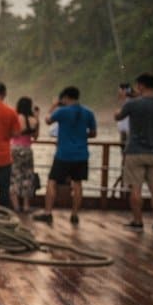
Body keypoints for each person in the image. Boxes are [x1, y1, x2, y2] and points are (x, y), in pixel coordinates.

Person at [115, 72, 153, 233]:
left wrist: (123, 99)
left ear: (140, 85)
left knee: (136, 188)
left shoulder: (132, 105)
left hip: (135, 151)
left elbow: (118, 116)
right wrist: (134, 96)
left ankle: (138, 222)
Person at [33, 86, 96, 224]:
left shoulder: (62, 111)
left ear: (65, 97)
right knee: (78, 184)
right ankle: (74, 215)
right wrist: (81, 135)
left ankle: (48, 213)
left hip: (63, 154)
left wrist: (54, 105)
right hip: (81, 154)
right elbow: (93, 133)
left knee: (52, 182)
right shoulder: (88, 113)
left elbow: (48, 120)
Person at [9, 97, 40, 213]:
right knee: (27, 177)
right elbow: (35, 136)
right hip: (27, 149)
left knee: (14, 176)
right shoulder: (33, 120)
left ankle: (16, 206)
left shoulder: (16, 118)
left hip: (15, 149)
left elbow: (11, 133)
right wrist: (37, 117)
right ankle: (26, 206)